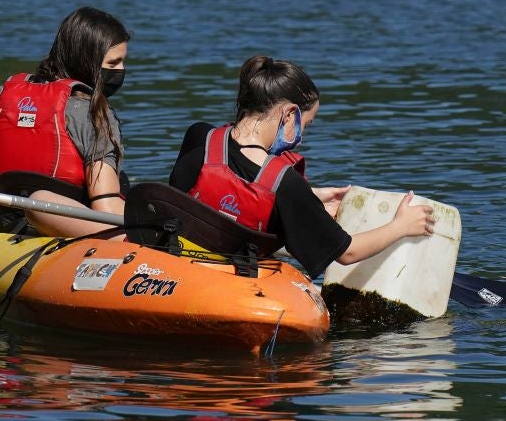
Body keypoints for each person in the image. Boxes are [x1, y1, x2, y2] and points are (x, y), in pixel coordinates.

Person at [169, 55, 435, 279]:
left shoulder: (200, 136)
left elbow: (226, 184)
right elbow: (347, 252)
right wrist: (402, 226)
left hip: (175, 269)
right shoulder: (286, 183)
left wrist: (312, 195)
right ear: (289, 114)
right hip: (228, 280)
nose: (301, 137)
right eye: (305, 125)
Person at [0, 7, 130, 237]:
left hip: (2, 224)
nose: (121, 71)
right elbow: (104, 206)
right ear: (87, 61)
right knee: (121, 187)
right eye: (113, 64)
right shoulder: (94, 114)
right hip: (63, 228)